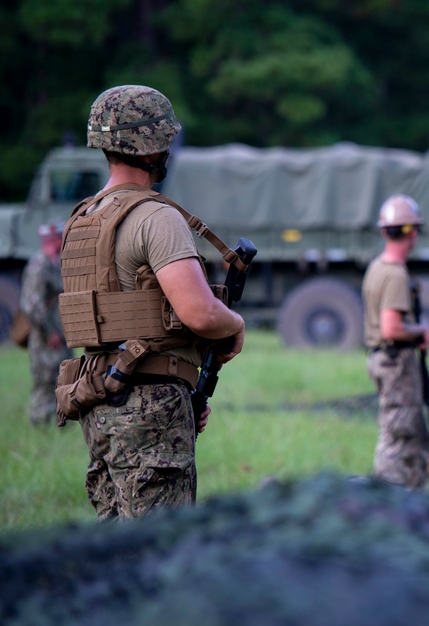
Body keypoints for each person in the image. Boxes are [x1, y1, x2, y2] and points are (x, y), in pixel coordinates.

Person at [58, 85, 246, 520]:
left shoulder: (83, 220)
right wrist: (234, 323)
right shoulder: (156, 217)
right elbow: (197, 311)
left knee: (119, 555)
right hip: (150, 403)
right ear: (152, 147)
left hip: (100, 396)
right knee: (162, 558)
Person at [362, 194, 429, 490]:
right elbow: (392, 328)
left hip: (383, 360)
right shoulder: (395, 275)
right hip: (396, 364)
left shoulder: (377, 267)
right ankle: (392, 499)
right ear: (412, 232)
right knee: (400, 436)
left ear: (384, 231)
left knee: (402, 432)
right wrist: (420, 331)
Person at [20, 222, 72, 426]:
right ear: (54, 240)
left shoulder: (56, 263)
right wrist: (50, 332)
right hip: (45, 337)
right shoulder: (39, 266)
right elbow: (32, 306)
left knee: (62, 378)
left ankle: (59, 423)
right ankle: (40, 424)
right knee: (44, 381)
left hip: (59, 334)